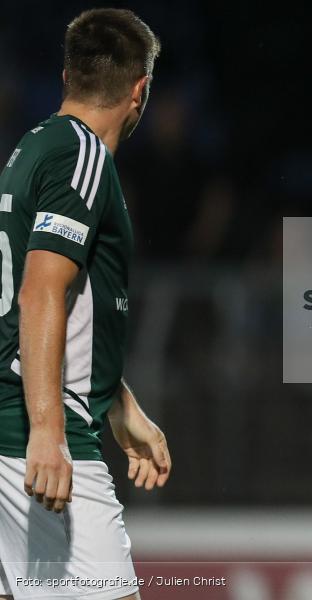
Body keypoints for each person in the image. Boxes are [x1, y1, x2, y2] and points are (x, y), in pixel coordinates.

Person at [0, 9, 170, 600]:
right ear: (140, 90)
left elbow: (66, 305)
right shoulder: (85, 157)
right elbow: (39, 292)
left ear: (66, 74)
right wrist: (48, 431)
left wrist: (122, 409)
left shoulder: (34, 149)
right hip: (39, 433)